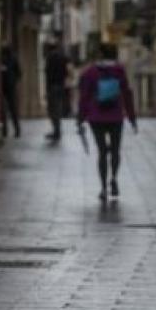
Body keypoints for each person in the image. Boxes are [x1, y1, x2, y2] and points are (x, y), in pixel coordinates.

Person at [76, 42, 138, 201]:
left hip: (96, 117)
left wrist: (80, 117)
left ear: (100, 54)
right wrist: (131, 117)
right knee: (116, 150)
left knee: (102, 152)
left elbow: (84, 96)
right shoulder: (119, 71)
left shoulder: (90, 72)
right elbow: (127, 93)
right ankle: (114, 179)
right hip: (116, 116)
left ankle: (103, 187)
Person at [44, 42, 71, 141]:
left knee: (52, 110)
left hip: (52, 86)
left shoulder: (49, 58)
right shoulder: (63, 57)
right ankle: (57, 131)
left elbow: (48, 74)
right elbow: (67, 71)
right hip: (61, 85)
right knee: (58, 108)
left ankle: (56, 131)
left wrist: (46, 90)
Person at [0, 43, 21, 139]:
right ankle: (12, 130)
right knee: (10, 110)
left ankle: (10, 130)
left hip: (6, 87)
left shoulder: (7, 59)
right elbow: (19, 73)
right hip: (7, 86)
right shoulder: (11, 59)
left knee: (9, 110)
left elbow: (19, 73)